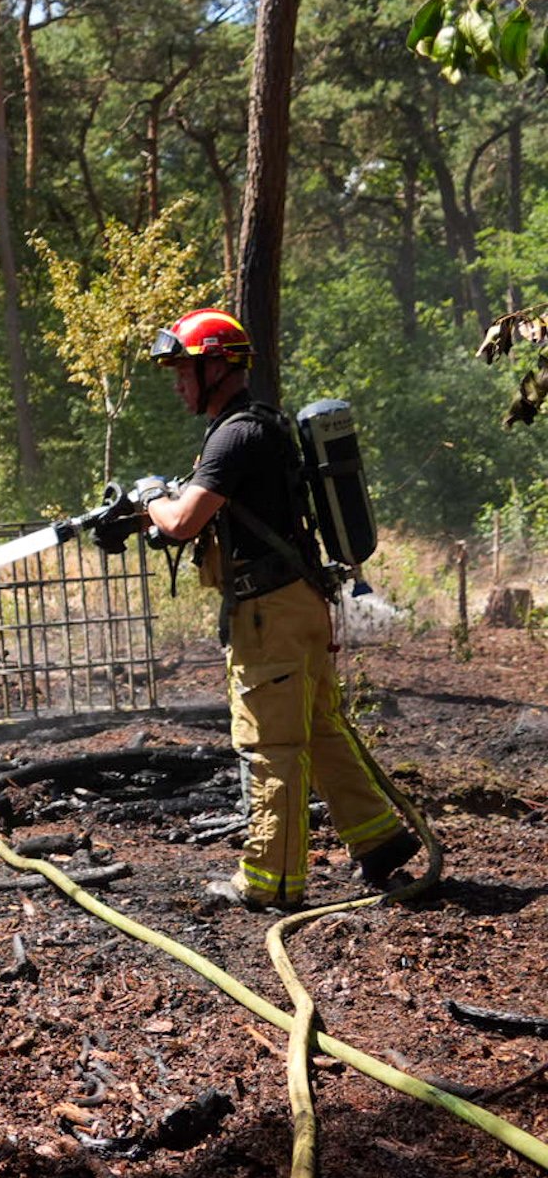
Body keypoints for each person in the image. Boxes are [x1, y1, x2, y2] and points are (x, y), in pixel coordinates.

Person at [134, 307, 420, 909]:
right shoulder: (256, 427)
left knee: (271, 746)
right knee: (318, 729)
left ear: (217, 365)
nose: (177, 382)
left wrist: (151, 498)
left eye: (183, 369)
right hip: (297, 605)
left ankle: (272, 881)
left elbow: (184, 521)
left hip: (270, 615)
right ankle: (379, 839)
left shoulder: (237, 434)